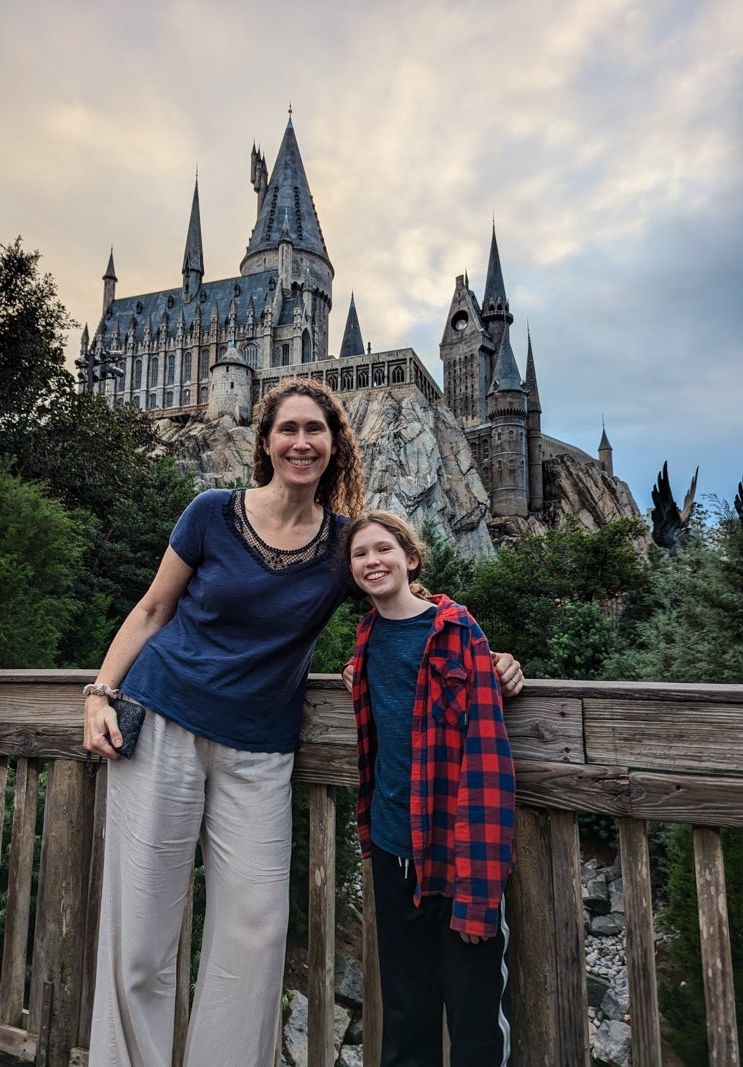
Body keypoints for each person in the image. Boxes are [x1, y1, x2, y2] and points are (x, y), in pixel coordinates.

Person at [84, 377, 523, 1067]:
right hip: (163, 714)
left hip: (259, 744)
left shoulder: (342, 542)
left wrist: (480, 652)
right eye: (286, 428)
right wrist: (98, 692)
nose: (300, 441)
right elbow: (150, 610)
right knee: (140, 934)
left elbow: (400, 594)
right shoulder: (209, 512)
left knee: (254, 937)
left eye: (314, 429)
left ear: (333, 444)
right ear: (264, 441)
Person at [346, 510, 516, 1067]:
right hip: (393, 854)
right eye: (360, 554)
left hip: (456, 861)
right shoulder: (367, 639)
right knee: (405, 1017)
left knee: (474, 1026)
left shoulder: (459, 633)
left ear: (410, 558)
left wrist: (480, 895)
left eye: (383, 549)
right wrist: (352, 669)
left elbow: (488, 765)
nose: (373, 561)